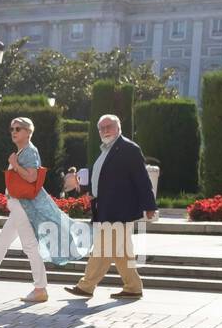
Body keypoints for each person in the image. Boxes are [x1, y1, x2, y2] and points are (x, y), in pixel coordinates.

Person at [0, 117, 89, 302]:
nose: (14, 131)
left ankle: (40, 289)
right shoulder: (23, 151)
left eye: (18, 128)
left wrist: (15, 163)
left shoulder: (29, 152)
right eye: (12, 128)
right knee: (2, 242)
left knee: (29, 246)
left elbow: (32, 178)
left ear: (29, 132)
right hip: (18, 205)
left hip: (23, 206)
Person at [65, 114, 158, 300]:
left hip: (119, 209)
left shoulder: (128, 149)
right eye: (102, 128)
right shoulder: (106, 150)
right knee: (122, 253)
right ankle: (133, 287)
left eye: (109, 126)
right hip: (106, 207)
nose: (105, 130)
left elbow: (142, 179)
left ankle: (86, 286)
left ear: (119, 128)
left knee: (102, 249)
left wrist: (149, 206)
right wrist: (90, 190)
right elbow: (103, 178)